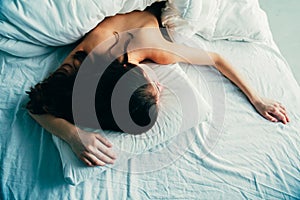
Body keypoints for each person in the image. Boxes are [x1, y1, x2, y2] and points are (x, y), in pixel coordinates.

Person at [26, 2, 289, 167]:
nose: (162, 88)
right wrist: (74, 136)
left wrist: (256, 97)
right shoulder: (89, 58)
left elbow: (216, 58)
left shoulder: (151, 45)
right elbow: (35, 104)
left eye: (155, 86)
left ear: (131, 68)